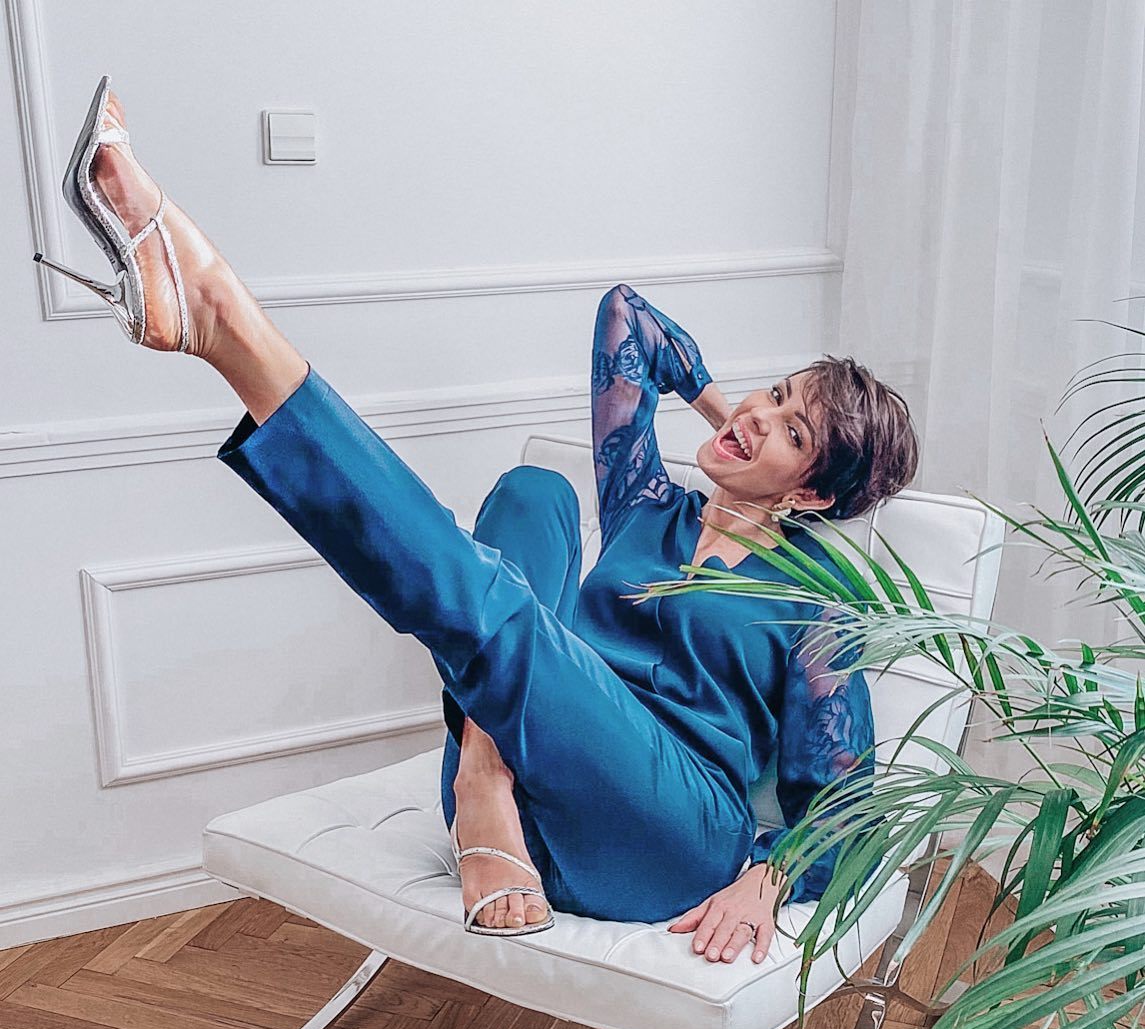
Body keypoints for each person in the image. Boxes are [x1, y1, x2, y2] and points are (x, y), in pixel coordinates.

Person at [34, 78, 919, 966]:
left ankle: (222, 316)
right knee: (535, 492)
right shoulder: (649, 504)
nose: (763, 413)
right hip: (524, 791)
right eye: (777, 391)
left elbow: (847, 800)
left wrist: (772, 873)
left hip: (663, 829)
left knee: (514, 624)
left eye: (793, 432)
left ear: (813, 495)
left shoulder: (818, 600)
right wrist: (737, 422)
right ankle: (481, 771)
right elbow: (627, 316)